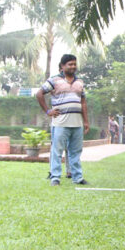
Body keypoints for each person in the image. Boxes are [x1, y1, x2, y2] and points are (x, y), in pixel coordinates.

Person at [36, 54, 90, 186]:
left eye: (74, 64)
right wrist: (48, 111)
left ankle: (77, 178)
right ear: (62, 66)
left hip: (77, 124)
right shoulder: (54, 80)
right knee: (57, 151)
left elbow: (83, 102)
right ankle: (55, 177)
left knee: (76, 152)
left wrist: (86, 121)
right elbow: (39, 94)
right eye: (69, 64)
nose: (73, 67)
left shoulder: (80, 82)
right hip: (60, 123)